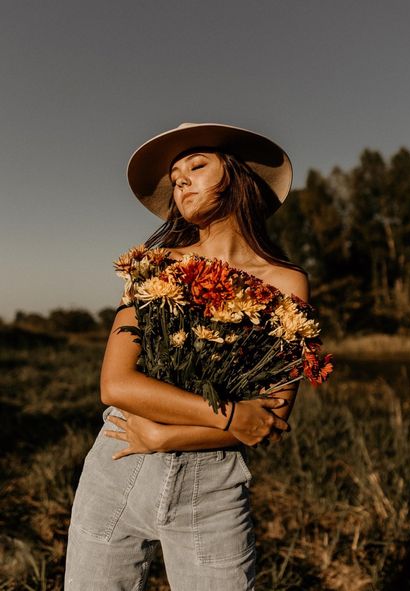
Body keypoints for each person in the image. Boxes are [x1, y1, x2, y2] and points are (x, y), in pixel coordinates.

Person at [65, 122, 310, 590]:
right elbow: (116, 385)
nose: (181, 181)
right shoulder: (153, 268)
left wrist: (162, 434)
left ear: (236, 175)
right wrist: (231, 416)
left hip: (213, 486)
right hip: (119, 467)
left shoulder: (286, 283)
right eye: (176, 176)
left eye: (197, 166)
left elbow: (270, 418)